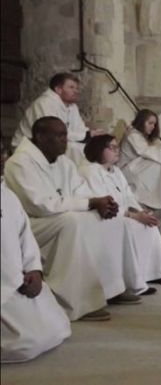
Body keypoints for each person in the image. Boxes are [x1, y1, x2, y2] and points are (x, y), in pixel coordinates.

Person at [3, 117, 149, 321]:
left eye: (65, 135)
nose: (65, 140)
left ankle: (111, 287)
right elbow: (41, 205)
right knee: (73, 222)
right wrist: (89, 204)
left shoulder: (64, 163)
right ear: (40, 137)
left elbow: (81, 191)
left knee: (112, 220)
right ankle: (73, 301)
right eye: (60, 135)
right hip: (31, 225)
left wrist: (101, 203)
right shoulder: (19, 162)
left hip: (57, 217)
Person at [1, 142, 71, 363]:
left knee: (56, 329)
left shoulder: (7, 197)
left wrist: (34, 269)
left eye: (1, 152)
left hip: (17, 280)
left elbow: (25, 236)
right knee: (24, 344)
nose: (2, 158)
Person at [79, 134, 161, 288]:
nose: (116, 150)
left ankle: (154, 272)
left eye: (117, 147)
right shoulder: (90, 171)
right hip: (104, 216)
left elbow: (129, 196)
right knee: (130, 226)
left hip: (123, 214)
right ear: (98, 149)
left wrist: (140, 211)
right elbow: (101, 201)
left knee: (148, 225)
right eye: (111, 147)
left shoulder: (116, 171)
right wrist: (133, 215)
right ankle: (134, 281)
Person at [11, 72, 104, 164]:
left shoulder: (72, 107)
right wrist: (86, 135)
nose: (76, 91)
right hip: (31, 148)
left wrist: (92, 135)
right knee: (77, 150)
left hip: (59, 142)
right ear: (58, 89)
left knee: (93, 148)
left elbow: (79, 128)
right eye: (71, 87)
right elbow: (52, 133)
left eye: (77, 88)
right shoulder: (45, 103)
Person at [118, 109, 161, 209]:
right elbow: (146, 151)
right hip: (124, 170)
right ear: (142, 122)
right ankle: (149, 198)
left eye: (154, 124)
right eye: (150, 123)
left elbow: (151, 152)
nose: (153, 127)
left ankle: (156, 198)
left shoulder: (139, 135)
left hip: (134, 167)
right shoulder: (133, 135)